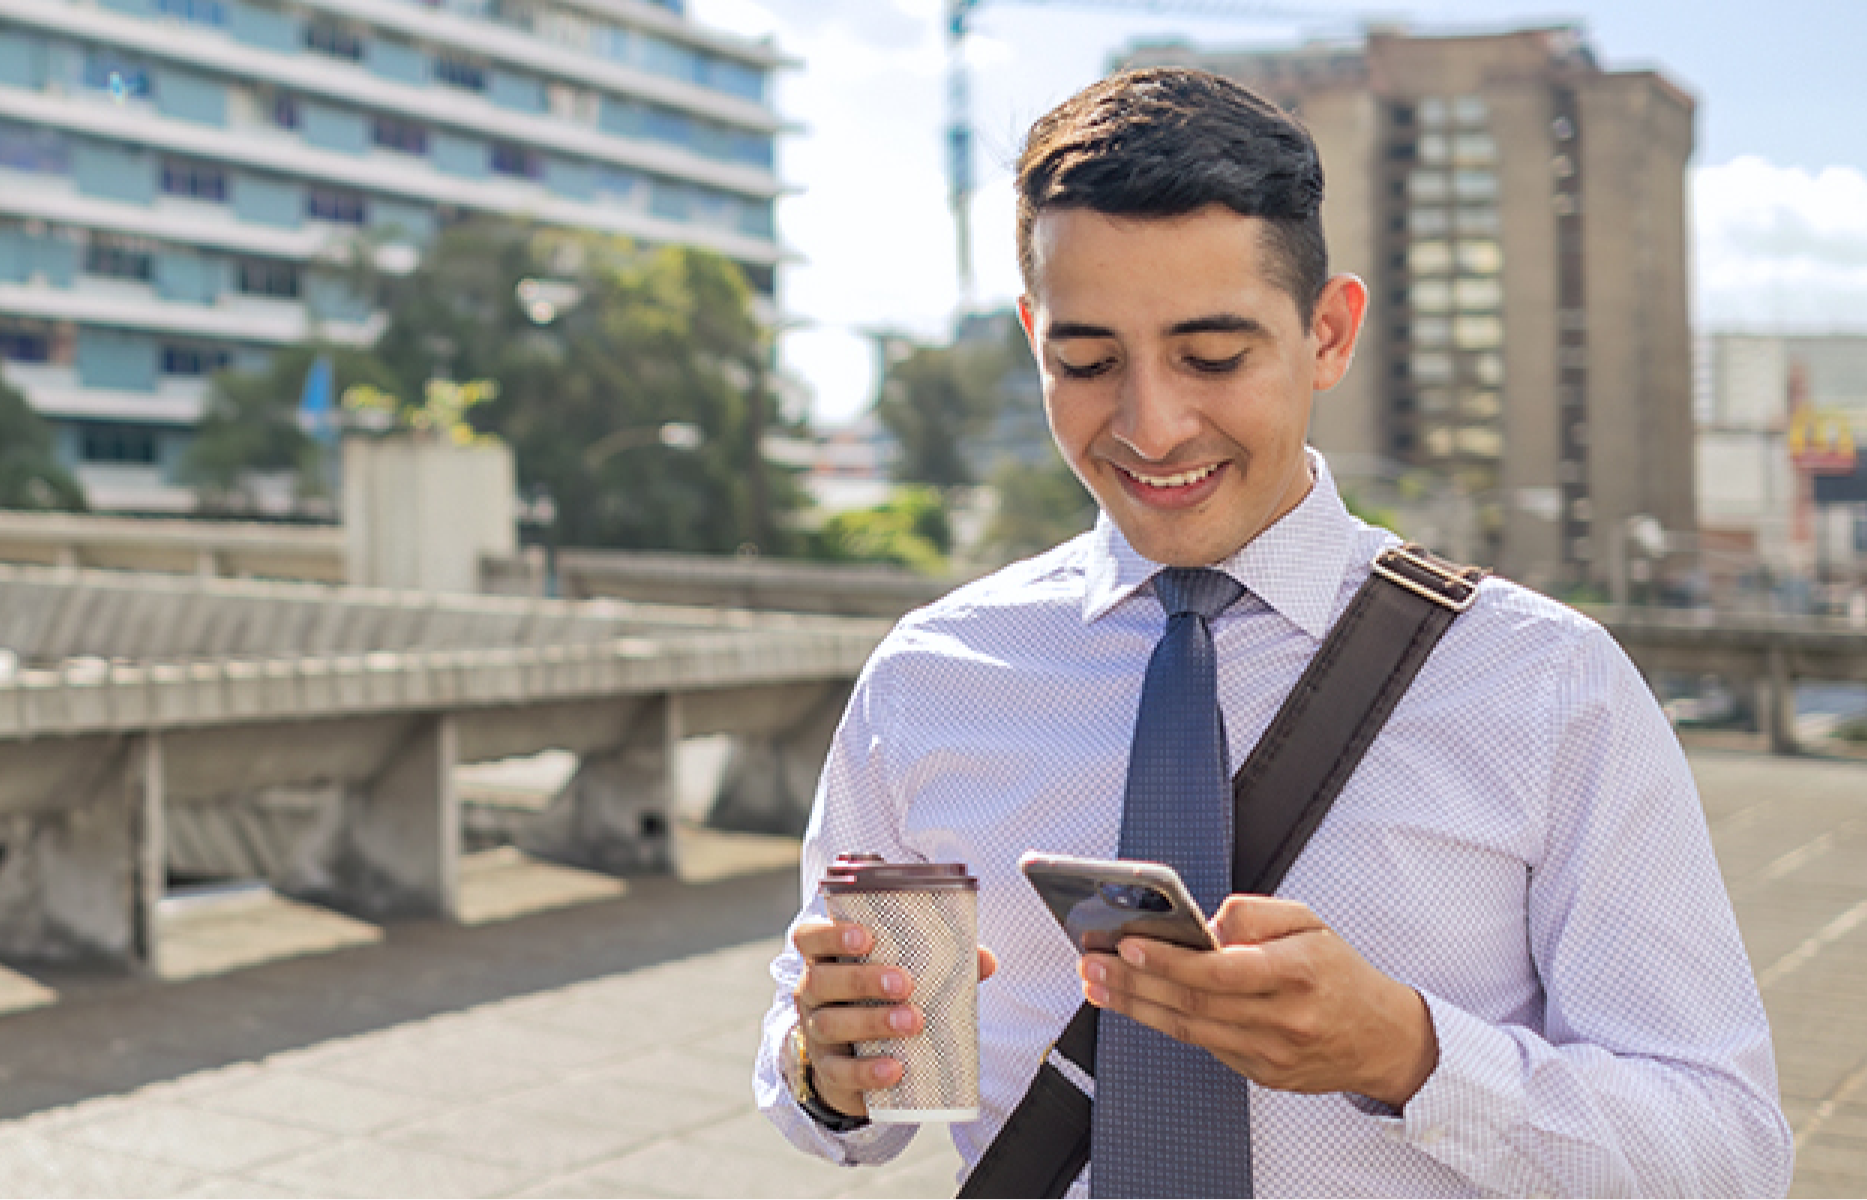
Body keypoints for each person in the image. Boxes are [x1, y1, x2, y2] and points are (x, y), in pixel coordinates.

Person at [749, 68, 1789, 1197]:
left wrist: (1410, 1053)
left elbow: (1730, 1156)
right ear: (1032, 338)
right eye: (1087, 362)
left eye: (1213, 355)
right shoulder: (932, 681)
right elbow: (846, 1105)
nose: (1152, 424)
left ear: (1329, 334)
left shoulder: (1545, 686)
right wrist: (828, 1065)